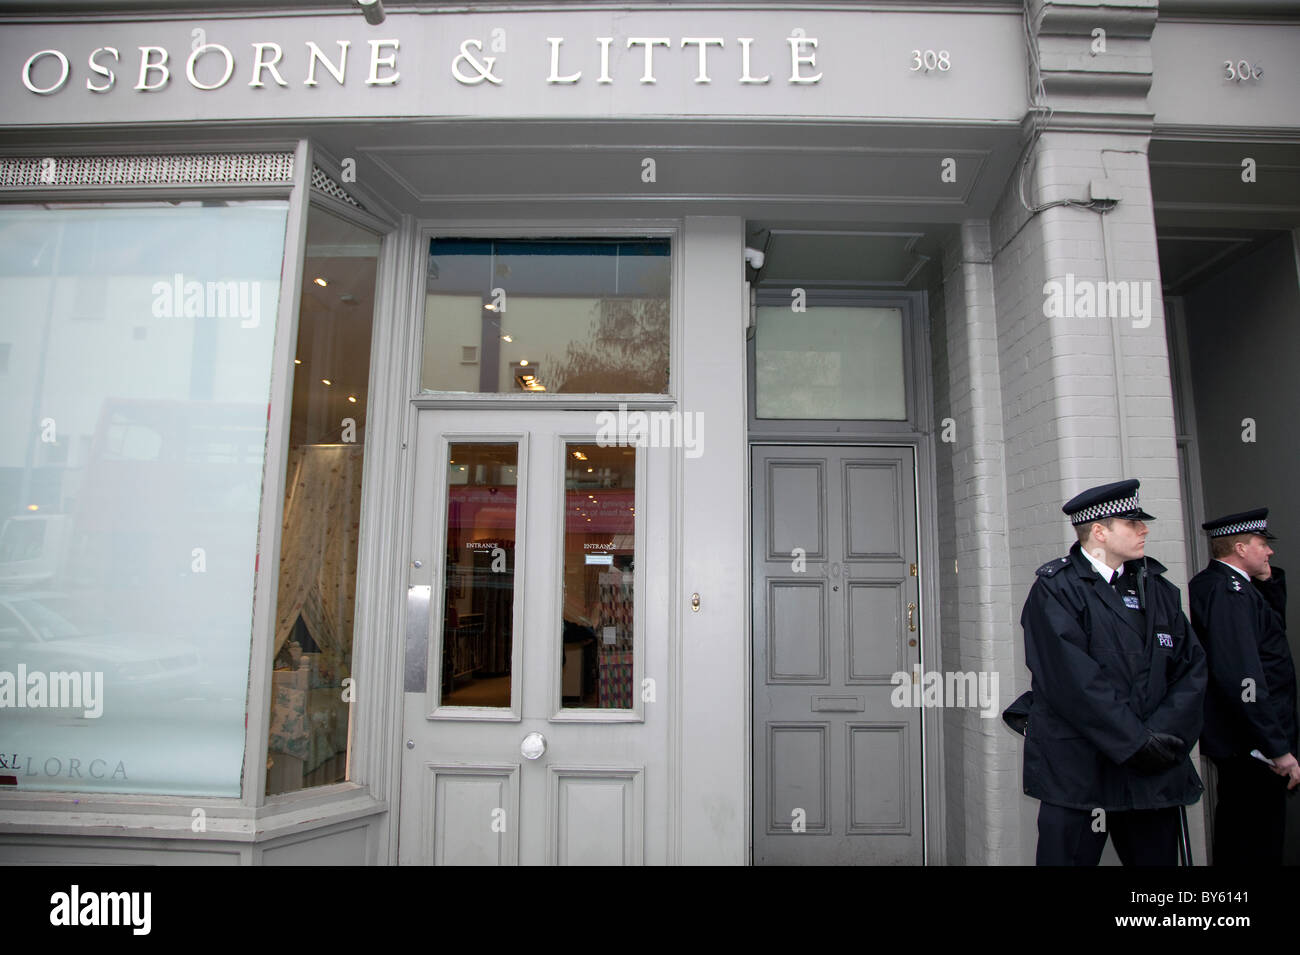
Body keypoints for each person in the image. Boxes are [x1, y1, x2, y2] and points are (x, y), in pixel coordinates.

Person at [1017, 478, 1206, 865]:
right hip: (1080, 775)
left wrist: (1161, 739)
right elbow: (1073, 685)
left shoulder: (1159, 590)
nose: (1144, 529)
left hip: (1151, 777)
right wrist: (1136, 743)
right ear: (1099, 531)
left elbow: (1192, 670)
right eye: (1133, 522)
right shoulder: (1056, 590)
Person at [1189, 508, 1299, 866]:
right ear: (1239, 547)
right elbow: (1243, 676)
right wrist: (1275, 747)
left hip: (1247, 740)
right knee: (1254, 841)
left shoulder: (1232, 587)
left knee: (1248, 834)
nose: (1268, 552)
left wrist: (1267, 579)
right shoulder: (1228, 591)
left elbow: (1270, 632)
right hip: (1251, 743)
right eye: (1262, 544)